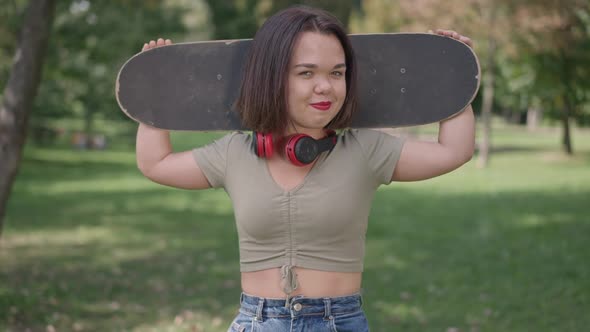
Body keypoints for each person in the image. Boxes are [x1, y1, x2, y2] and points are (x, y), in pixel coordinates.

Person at [136, 5, 475, 332]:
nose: (325, 86)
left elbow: (453, 151)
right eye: (306, 73)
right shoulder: (235, 153)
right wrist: (157, 91)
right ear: (271, 79)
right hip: (258, 321)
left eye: (337, 73)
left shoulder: (365, 150)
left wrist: (452, 82)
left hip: (338, 321)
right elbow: (156, 164)